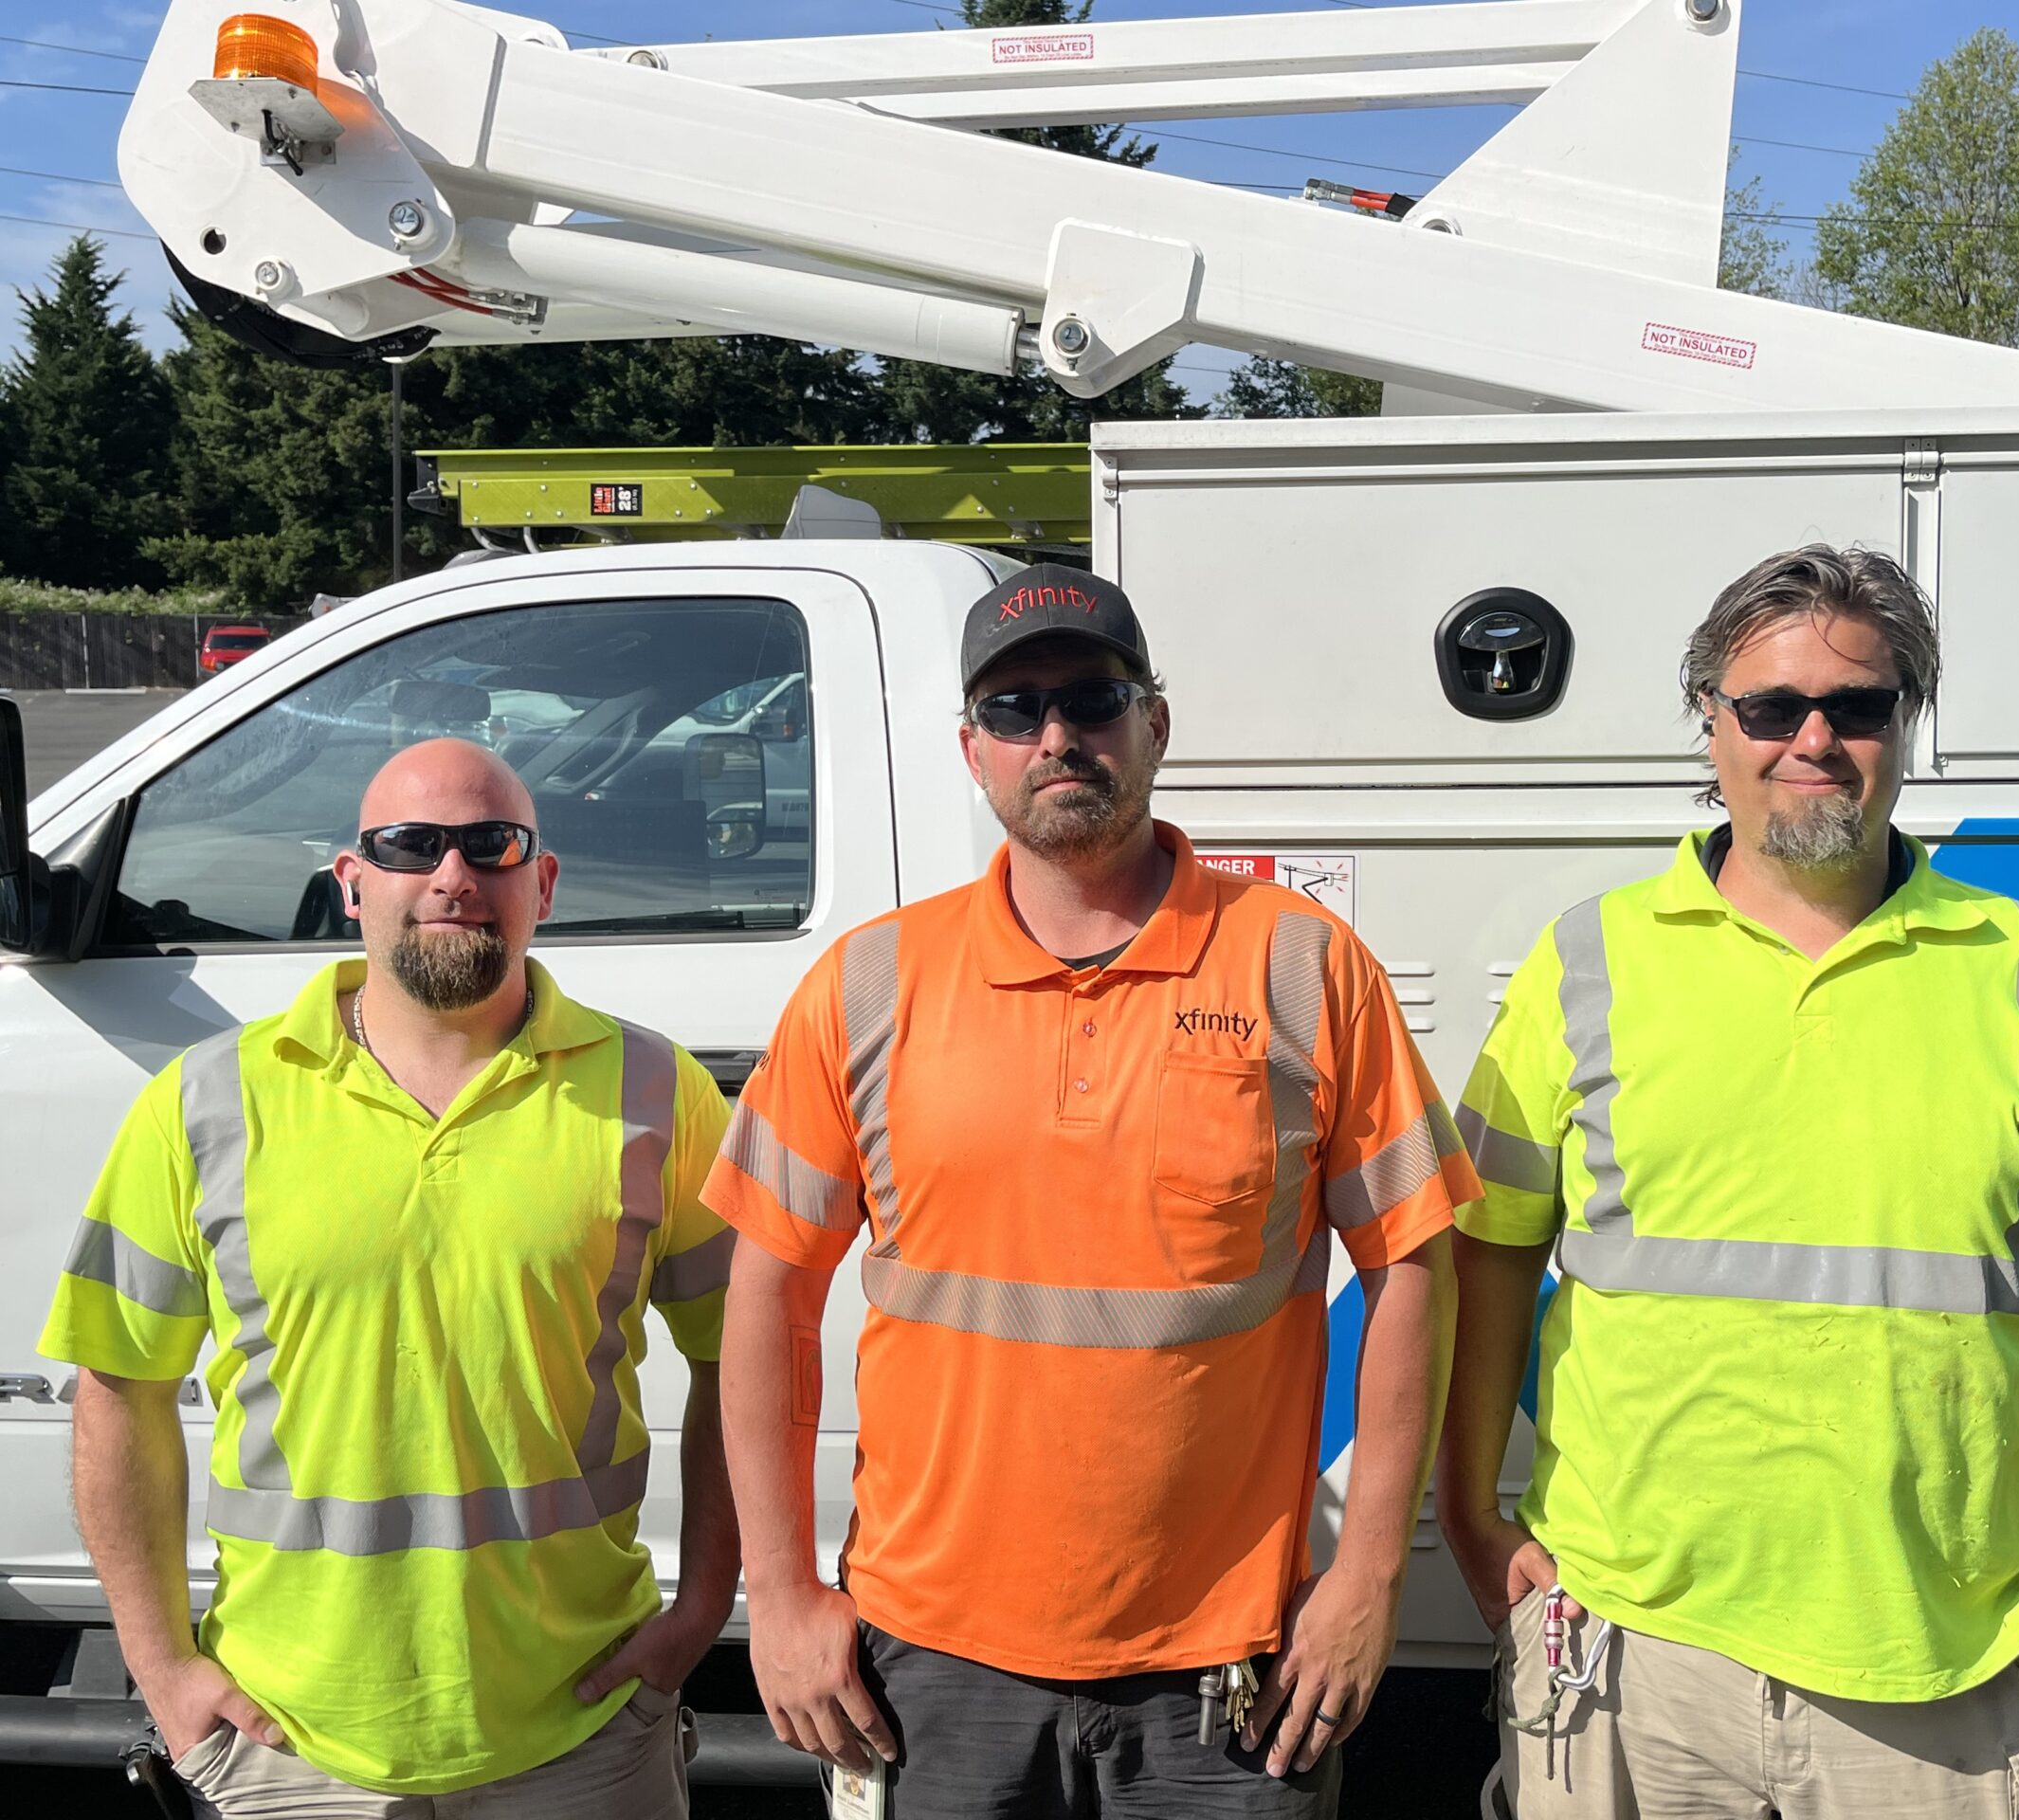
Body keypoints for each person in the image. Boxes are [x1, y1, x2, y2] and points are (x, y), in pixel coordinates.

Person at [1439, 546, 2019, 1819]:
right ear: (1710, 721)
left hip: (1948, 1662)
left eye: (1857, 707)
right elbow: (1488, 1250)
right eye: (1769, 707)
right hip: (1633, 1652)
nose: (1814, 738)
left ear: (1903, 723)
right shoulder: (1584, 960)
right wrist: (1467, 1510)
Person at [707, 563, 1474, 1818]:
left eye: (1091, 699)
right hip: (935, 1661)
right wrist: (782, 1595)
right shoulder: (869, 985)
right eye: (1015, 713)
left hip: (1231, 1667)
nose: (1056, 736)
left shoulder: (1299, 965)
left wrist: (1369, 1575)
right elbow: (769, 1294)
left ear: (1155, 725)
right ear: (973, 749)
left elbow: (1411, 1268)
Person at [41, 738, 740, 1817]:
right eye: (409, 846)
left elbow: (741, 1360)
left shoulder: (656, 1091)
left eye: (491, 845)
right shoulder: (206, 1102)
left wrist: (700, 1613)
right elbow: (117, 1388)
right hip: (286, 1742)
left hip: (584, 1732)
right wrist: (164, 1668)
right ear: (350, 882)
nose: (452, 876)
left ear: (541, 883)